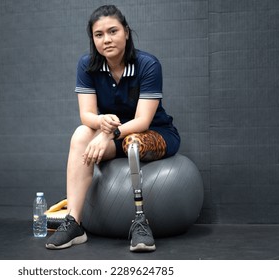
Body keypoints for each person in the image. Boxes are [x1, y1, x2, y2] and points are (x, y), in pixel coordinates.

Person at [45, 5, 180, 252]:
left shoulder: (148, 64)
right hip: (115, 136)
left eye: (113, 31)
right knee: (80, 134)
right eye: (99, 34)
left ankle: (140, 222)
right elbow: (87, 115)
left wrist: (108, 133)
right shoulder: (87, 65)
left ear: (126, 32)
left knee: (133, 142)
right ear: (93, 39)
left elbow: (142, 122)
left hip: (155, 134)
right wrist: (101, 123)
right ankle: (74, 222)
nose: (106, 39)